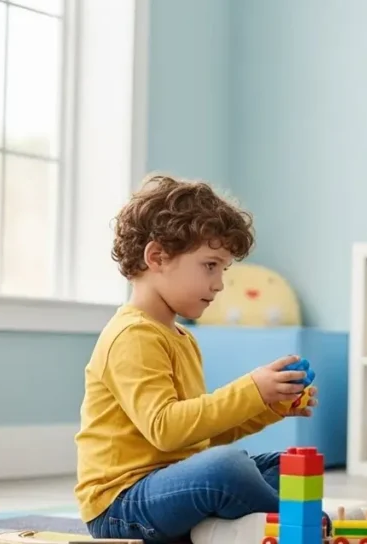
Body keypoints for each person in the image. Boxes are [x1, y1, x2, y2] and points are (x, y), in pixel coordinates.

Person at [75, 174, 319, 543]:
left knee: (289, 466)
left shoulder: (181, 338)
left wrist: (267, 406)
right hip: (122, 507)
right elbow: (167, 429)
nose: (220, 283)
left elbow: (198, 435)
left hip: (171, 485)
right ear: (157, 257)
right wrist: (251, 388)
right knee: (227, 468)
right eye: (210, 265)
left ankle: (234, 528)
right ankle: (295, 529)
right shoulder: (133, 335)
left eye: (223, 269)